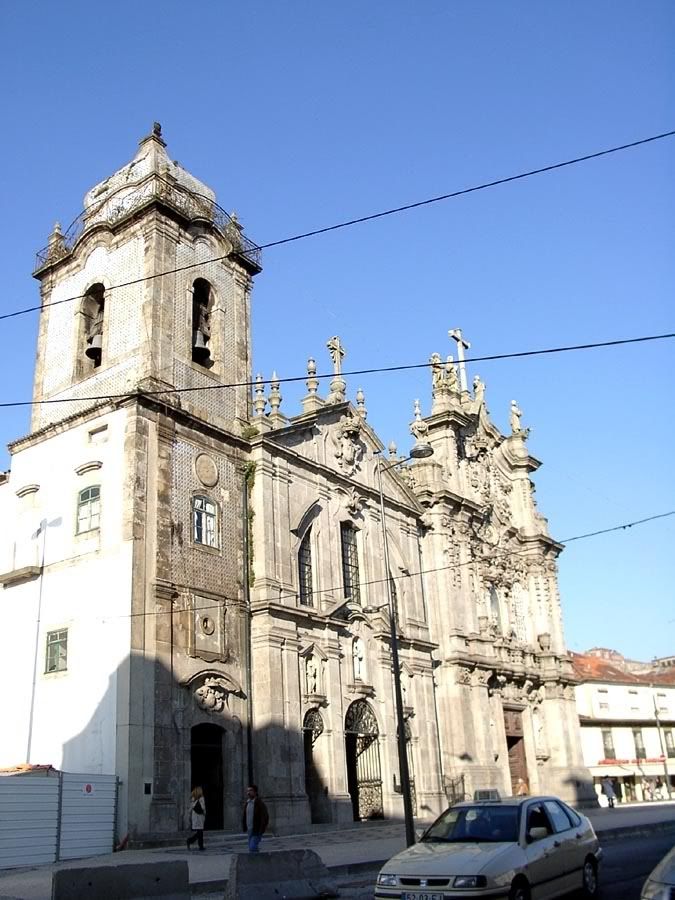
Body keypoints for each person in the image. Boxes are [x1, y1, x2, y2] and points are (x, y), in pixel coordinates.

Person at [242, 784, 269, 853]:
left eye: (250, 790)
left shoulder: (259, 803)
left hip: (256, 830)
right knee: (252, 848)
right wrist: (244, 826)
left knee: (252, 847)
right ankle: (258, 858)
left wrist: (262, 828)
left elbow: (265, 816)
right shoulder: (247, 803)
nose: (248, 792)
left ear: (255, 792)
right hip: (249, 829)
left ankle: (256, 858)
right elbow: (245, 816)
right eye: (247, 791)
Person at [186, 786, 206, 850]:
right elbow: (203, 808)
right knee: (200, 831)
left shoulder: (193, 799)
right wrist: (205, 814)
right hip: (200, 816)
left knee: (200, 831)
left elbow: (190, 809)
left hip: (194, 816)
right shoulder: (201, 798)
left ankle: (200, 845)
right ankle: (190, 841)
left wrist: (189, 816)